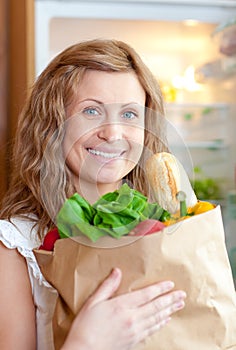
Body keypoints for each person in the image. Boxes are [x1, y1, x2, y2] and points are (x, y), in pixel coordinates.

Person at [0, 39, 186, 350]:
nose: (113, 133)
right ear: (53, 124)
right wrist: (86, 342)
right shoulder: (15, 246)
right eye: (91, 111)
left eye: (129, 115)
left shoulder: (166, 229)